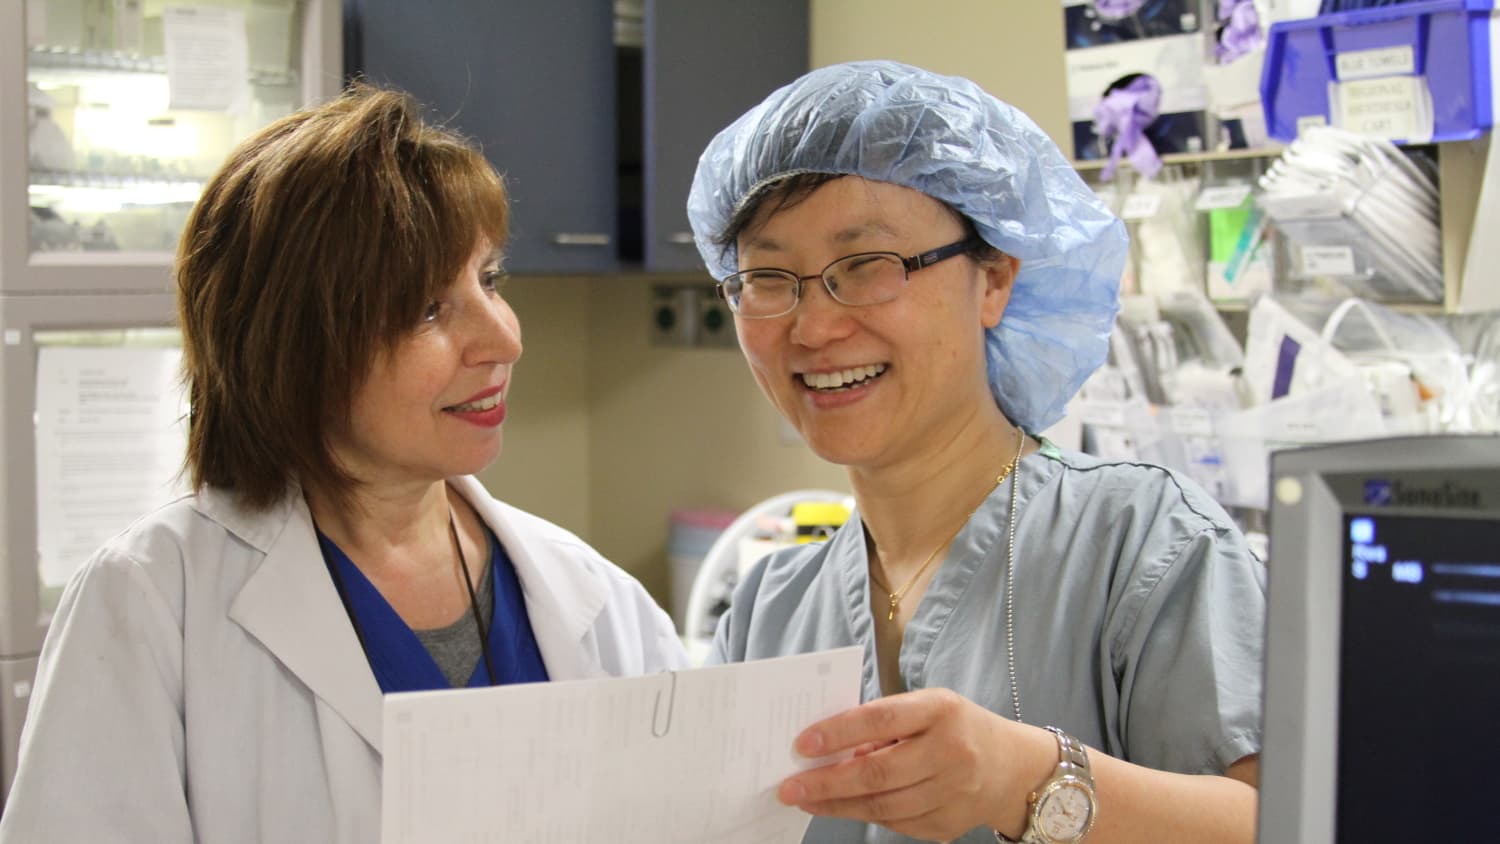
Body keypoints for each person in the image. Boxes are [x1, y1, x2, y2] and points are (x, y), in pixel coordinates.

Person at [0, 84, 685, 842]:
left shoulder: (589, 594)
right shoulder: (152, 602)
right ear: (295, 347)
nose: (503, 341)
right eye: (427, 308)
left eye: (489, 280)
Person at [686, 61, 1264, 843]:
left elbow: (1288, 819)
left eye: (866, 265)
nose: (814, 328)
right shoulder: (769, 612)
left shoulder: (1143, 544)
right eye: (767, 277)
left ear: (993, 281)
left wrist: (1028, 781)